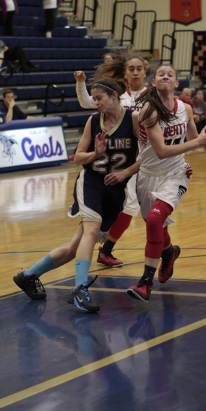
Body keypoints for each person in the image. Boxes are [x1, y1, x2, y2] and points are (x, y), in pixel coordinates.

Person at [13, 78, 140, 313]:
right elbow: (78, 157)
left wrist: (125, 173)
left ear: (114, 96)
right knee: (92, 231)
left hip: (116, 189)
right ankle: (80, 289)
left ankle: (28, 276)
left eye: (99, 97)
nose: (95, 102)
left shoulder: (133, 119)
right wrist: (95, 152)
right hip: (91, 183)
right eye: (93, 98)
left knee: (75, 248)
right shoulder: (93, 121)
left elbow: (147, 156)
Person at [126, 64, 206, 302]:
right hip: (148, 175)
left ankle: (145, 283)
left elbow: (193, 139)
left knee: (155, 220)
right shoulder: (149, 110)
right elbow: (160, 151)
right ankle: (169, 253)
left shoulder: (186, 108)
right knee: (158, 227)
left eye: (170, 74)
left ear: (177, 83)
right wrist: (198, 142)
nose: (165, 76)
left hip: (177, 172)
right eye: (161, 74)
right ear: (155, 83)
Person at [74, 52, 148, 267]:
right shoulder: (116, 96)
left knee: (144, 210)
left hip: (142, 160)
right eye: (131, 69)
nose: (135, 72)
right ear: (124, 74)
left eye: (139, 68)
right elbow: (87, 101)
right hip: (116, 165)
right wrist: (81, 84)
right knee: (130, 208)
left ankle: (104, 246)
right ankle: (104, 248)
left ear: (145, 71)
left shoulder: (152, 96)